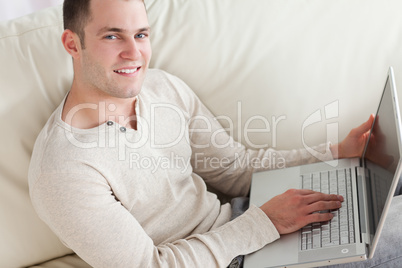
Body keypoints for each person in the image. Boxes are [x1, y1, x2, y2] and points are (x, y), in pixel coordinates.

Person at [28, 0, 401, 267]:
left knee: (381, 175)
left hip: (246, 219)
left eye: (141, 34)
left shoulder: (160, 88)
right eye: (112, 36)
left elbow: (236, 170)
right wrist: (266, 223)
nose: (134, 53)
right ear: (72, 44)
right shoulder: (63, 170)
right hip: (232, 255)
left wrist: (336, 151)